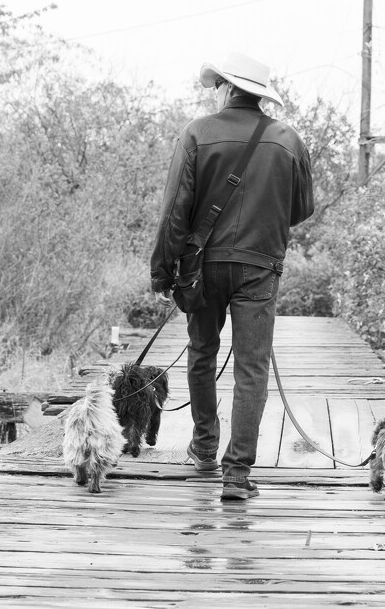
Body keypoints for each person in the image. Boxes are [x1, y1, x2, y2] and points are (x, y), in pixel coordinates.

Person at [149, 52, 314, 500]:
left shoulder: (197, 134)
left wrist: (163, 272)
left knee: (202, 352)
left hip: (201, 267)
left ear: (227, 88)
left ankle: (204, 448)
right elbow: (301, 209)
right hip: (260, 266)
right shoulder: (289, 140)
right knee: (251, 366)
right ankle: (237, 474)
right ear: (259, 95)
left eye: (216, 85)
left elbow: (174, 213)